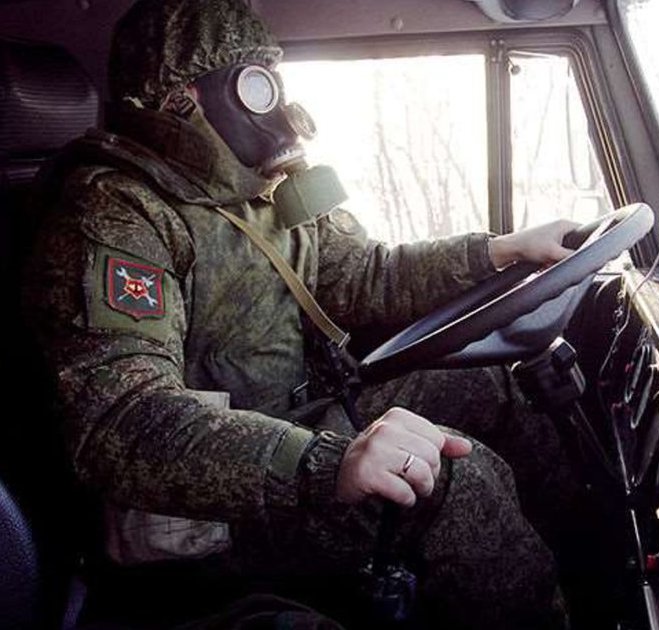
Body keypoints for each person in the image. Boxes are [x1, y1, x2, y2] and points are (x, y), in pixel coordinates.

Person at [24, 0, 585, 627]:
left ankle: (588, 569)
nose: (279, 107)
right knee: (453, 480)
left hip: (297, 425)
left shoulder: (263, 187)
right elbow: (123, 423)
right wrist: (328, 463)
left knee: (489, 387)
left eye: (274, 78)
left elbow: (363, 274)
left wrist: (498, 250)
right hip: (200, 510)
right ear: (183, 97)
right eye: (254, 84)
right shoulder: (115, 214)